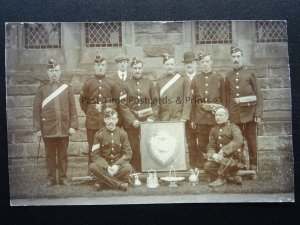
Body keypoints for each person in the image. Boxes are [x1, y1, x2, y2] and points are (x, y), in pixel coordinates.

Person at [33, 58, 78, 187]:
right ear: (48, 72)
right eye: (51, 70)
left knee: (63, 155)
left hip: (64, 127)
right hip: (48, 128)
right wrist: (37, 128)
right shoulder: (42, 89)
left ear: (60, 72)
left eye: (56, 71)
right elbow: (36, 110)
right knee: (50, 156)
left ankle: (63, 177)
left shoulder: (67, 88)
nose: (54, 73)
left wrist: (73, 126)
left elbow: (72, 108)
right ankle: (51, 178)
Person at [225, 46, 263, 178]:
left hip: (250, 114)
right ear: (231, 58)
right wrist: (227, 115)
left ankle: (253, 168)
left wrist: (258, 114)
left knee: (252, 141)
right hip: (235, 115)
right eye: (233, 57)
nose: (236, 59)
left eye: (238, 57)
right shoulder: (228, 76)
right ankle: (240, 167)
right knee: (237, 141)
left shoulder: (249, 73)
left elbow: (258, 94)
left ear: (242, 57)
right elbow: (226, 97)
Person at [120, 57, 159, 172]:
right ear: (131, 69)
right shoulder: (125, 84)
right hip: (132, 124)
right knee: (133, 147)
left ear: (142, 69)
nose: (137, 70)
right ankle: (135, 170)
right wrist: (132, 120)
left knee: (149, 146)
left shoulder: (149, 83)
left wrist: (151, 118)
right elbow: (123, 105)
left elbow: (156, 102)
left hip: (147, 122)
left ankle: (149, 169)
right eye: (135, 68)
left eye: (139, 68)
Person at [190, 51, 226, 169]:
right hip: (200, 117)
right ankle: (201, 167)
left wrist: (224, 117)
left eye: (207, 61)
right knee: (201, 143)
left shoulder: (219, 79)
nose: (205, 64)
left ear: (211, 62)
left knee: (216, 142)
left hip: (215, 118)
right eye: (202, 62)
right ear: (199, 64)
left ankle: (216, 165)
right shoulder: (195, 79)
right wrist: (193, 119)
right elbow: (192, 101)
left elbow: (224, 100)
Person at [80, 54, 117, 166]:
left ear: (106, 67)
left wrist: (108, 113)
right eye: (98, 65)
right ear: (94, 67)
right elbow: (83, 102)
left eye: (103, 65)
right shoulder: (88, 83)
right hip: (92, 122)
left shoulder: (111, 82)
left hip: (106, 122)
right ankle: (92, 172)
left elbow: (115, 102)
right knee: (93, 147)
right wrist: (91, 112)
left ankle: (106, 171)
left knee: (107, 147)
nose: (100, 67)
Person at [89, 108, 132, 191]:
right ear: (105, 120)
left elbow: (127, 154)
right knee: (92, 167)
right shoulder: (99, 135)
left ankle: (102, 182)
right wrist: (107, 167)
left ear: (117, 120)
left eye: (113, 119)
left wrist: (117, 165)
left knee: (128, 167)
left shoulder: (122, 134)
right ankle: (119, 184)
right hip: (104, 167)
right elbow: (95, 155)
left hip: (117, 167)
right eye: (108, 119)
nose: (111, 121)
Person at [203, 106, 244, 187]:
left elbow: (238, 141)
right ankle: (230, 177)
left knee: (226, 163)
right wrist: (213, 154)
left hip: (234, 158)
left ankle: (221, 179)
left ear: (227, 116)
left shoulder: (233, 128)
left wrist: (223, 151)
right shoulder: (214, 130)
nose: (217, 117)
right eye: (216, 115)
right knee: (207, 166)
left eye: (220, 115)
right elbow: (211, 145)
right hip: (220, 159)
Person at [156, 53, 191, 122]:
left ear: (175, 65)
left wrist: (184, 116)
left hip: (179, 117)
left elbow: (188, 98)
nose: (170, 67)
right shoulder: (159, 82)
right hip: (164, 118)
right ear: (164, 66)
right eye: (167, 64)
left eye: (172, 64)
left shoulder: (183, 79)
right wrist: (157, 118)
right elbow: (156, 102)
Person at [181, 52, 199, 170]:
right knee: (191, 142)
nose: (189, 65)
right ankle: (193, 167)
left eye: (191, 62)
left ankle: (203, 166)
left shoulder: (201, 77)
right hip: (186, 116)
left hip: (201, 116)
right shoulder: (181, 79)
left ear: (196, 64)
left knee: (203, 142)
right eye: (187, 63)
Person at [111, 54, 131, 128]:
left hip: (129, 114)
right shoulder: (112, 79)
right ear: (117, 64)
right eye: (120, 62)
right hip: (117, 113)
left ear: (127, 64)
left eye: (125, 62)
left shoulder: (131, 78)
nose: (123, 64)